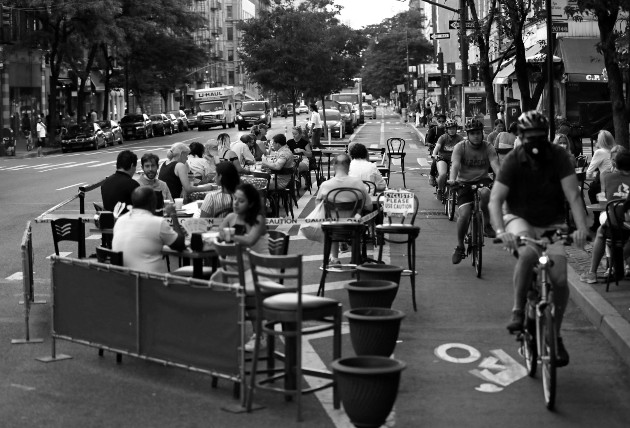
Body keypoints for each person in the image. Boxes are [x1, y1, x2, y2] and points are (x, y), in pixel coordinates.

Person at [489, 111, 589, 368]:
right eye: (529, 137)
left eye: (539, 136)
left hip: (551, 222)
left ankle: (555, 334)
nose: (534, 141)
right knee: (528, 253)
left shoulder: (559, 157)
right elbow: (496, 200)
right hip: (519, 218)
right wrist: (502, 232)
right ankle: (518, 310)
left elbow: (574, 196)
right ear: (521, 137)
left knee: (560, 280)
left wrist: (580, 228)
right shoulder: (512, 160)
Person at [213, 182, 270, 351]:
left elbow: (250, 240)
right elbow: (218, 235)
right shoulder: (230, 218)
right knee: (214, 283)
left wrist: (230, 236)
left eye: (241, 201)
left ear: (251, 203)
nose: (236, 203)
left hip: (258, 268)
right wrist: (221, 236)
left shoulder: (258, 220)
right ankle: (228, 331)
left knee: (247, 293)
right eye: (234, 199)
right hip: (234, 266)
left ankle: (259, 335)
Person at [448, 119, 500, 264]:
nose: (476, 136)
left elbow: (495, 165)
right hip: (463, 182)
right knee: (463, 215)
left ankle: (487, 225)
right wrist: (452, 180)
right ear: (468, 135)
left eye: (478, 133)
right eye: (473, 134)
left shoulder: (488, 146)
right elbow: (455, 165)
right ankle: (459, 246)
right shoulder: (460, 147)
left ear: (482, 133)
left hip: (482, 181)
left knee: (485, 193)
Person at [580, 150, 630, 284]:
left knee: (601, 232)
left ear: (616, 164)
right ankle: (620, 265)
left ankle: (593, 272)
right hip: (626, 224)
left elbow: (606, 196)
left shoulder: (608, 177)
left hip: (615, 224)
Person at [112, 186, 186, 273]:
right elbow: (180, 245)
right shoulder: (157, 222)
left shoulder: (120, 220)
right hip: (151, 281)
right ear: (153, 202)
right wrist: (173, 214)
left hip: (124, 279)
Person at [316, 154, 372, 265]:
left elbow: (318, 207)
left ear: (333, 166)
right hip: (354, 226)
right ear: (349, 166)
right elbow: (369, 206)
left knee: (332, 219)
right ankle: (356, 256)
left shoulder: (325, 185)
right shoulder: (358, 183)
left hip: (332, 226)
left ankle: (334, 258)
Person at [587, 130, 616, 231]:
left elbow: (589, 172)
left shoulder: (600, 152)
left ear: (600, 141)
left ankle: (596, 221)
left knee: (592, 190)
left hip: (605, 183)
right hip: (616, 182)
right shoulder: (616, 150)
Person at [431, 119, 463, 200]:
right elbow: (437, 147)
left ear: (456, 129)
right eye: (450, 129)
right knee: (443, 174)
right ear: (446, 129)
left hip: (455, 160)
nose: (452, 130)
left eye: (453, 128)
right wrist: (434, 154)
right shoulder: (443, 137)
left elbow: (465, 147)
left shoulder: (460, 138)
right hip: (442, 158)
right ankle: (440, 190)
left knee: (459, 175)